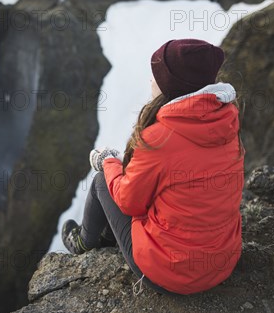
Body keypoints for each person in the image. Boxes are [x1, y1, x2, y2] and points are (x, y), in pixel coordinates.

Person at [61, 38, 244, 295]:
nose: (150, 81)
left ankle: (83, 241)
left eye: (156, 75)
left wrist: (109, 160)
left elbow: (128, 202)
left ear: (173, 85)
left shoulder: (160, 138)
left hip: (171, 273)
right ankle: (108, 235)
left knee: (104, 180)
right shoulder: (227, 121)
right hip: (222, 262)